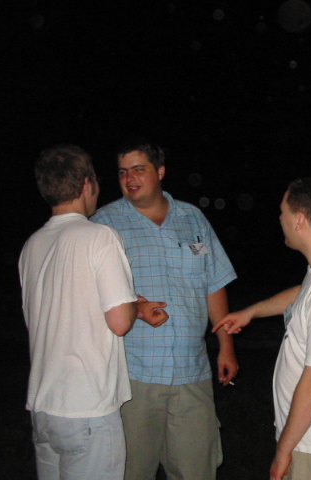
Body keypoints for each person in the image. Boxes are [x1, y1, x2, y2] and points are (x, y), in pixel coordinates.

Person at [90, 141, 238, 480]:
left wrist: (226, 345)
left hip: (192, 372)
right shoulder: (104, 225)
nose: (129, 179)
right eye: (122, 172)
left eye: (138, 169)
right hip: (133, 377)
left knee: (195, 470)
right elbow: (87, 294)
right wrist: (136, 306)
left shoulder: (192, 218)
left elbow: (214, 283)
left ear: (160, 172)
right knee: (131, 471)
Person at [19, 144, 167, 480]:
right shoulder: (99, 236)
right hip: (86, 407)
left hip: (44, 408)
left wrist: (133, 306)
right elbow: (119, 322)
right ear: (87, 184)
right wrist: (133, 307)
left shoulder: (33, 244)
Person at [213, 177, 311, 480]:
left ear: (299, 220)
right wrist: (252, 312)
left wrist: (283, 450)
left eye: (282, 212)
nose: (279, 219)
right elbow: (304, 293)